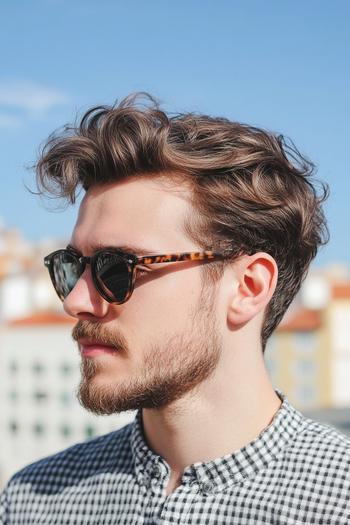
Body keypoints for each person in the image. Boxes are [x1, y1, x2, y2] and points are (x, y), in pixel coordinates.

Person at [1, 93, 349, 525]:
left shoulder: (338, 501)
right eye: (72, 267)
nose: (76, 302)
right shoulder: (34, 500)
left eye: (118, 268)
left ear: (247, 287)